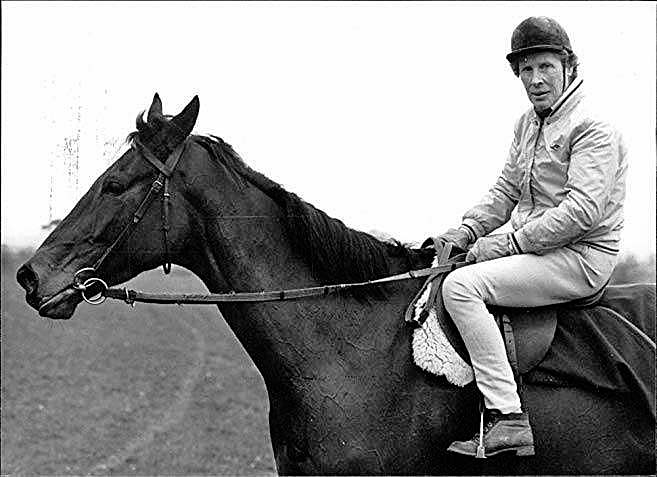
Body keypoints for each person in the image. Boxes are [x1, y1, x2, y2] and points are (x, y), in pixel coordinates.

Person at [438, 16, 627, 458]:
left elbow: (582, 212)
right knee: (446, 270)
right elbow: (506, 189)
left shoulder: (593, 127)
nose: (536, 79)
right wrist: (467, 230)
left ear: (568, 66)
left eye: (545, 67)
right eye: (526, 69)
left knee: (461, 287)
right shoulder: (527, 123)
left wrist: (507, 244)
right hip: (541, 249)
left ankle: (508, 418)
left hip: (581, 256)